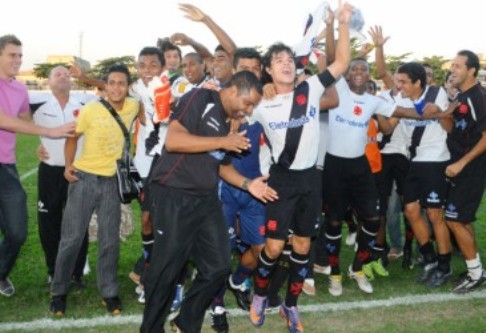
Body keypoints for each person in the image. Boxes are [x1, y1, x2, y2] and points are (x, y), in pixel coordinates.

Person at [140, 70, 276, 333]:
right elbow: (174, 140)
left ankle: (185, 323)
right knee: (166, 270)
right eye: (248, 103)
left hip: (205, 199)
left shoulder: (229, 122)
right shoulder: (202, 98)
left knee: (218, 267)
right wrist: (224, 139)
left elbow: (222, 167)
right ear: (234, 90)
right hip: (173, 194)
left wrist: (250, 184)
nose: (248, 112)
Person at [248, 2, 352, 332]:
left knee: (304, 245)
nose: (286, 64)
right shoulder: (261, 103)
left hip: (311, 178)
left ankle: (291, 306)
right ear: (268, 69)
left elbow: (342, 62)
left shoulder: (311, 88)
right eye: (278, 61)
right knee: (275, 247)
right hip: (281, 179)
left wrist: (343, 24)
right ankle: (261, 295)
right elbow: (232, 110)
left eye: (290, 60)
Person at [49, 64, 142, 316]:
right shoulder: (91, 109)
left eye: (121, 83)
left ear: (128, 86)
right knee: (72, 237)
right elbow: (72, 137)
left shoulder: (135, 106)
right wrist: (68, 165)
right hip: (84, 178)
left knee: (109, 240)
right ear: (106, 85)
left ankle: (109, 292)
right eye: (111, 82)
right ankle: (58, 292)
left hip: (113, 181)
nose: (115, 87)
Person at [0, 34, 74, 298]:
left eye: (20, 55)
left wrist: (42, 141)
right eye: (12, 55)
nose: (18, 60)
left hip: (6, 167)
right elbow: (5, 120)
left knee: (17, 230)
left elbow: (25, 121)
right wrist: (50, 133)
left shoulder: (19, 89)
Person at [30, 65, 97, 286]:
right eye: (57, 74)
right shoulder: (37, 100)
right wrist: (38, 146)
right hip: (49, 171)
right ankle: (53, 271)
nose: (63, 77)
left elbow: (111, 93)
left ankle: (76, 273)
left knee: (77, 223)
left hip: (78, 171)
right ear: (48, 81)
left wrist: (86, 77)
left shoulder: (85, 100)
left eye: (66, 74)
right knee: (49, 223)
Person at [396, 62, 452, 288]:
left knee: (434, 215)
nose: (399, 86)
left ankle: (444, 265)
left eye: (403, 82)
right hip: (414, 161)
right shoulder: (400, 98)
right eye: (397, 81)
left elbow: (450, 127)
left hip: (435, 160)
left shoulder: (437, 93)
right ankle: (429, 258)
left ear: (418, 83)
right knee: (410, 210)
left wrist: (438, 113)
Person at [441, 50, 486, 293]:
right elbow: (454, 129)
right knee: (462, 219)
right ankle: (476, 268)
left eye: (458, 66)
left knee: (454, 220)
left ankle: (476, 274)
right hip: (460, 165)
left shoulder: (478, 97)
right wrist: (439, 114)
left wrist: (462, 163)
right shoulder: (461, 96)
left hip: (471, 166)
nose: (453, 70)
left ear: (471, 71)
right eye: (452, 66)